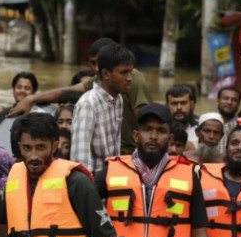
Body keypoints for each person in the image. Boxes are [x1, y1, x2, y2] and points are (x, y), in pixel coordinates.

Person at [96, 103, 223, 237]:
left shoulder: (189, 174)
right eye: (147, 130)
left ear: (170, 138)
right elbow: (85, 215)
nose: (153, 136)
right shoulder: (110, 171)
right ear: (136, 135)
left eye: (161, 131)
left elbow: (199, 232)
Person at [9, 37, 150, 155]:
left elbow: (146, 123)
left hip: (129, 153)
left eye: (99, 63)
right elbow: (67, 91)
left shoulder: (132, 81)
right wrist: (30, 98)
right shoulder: (94, 92)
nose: (96, 69)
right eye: (93, 63)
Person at [71, 44, 132, 173]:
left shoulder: (118, 99)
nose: (129, 78)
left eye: (130, 72)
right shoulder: (88, 104)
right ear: (105, 74)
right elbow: (80, 160)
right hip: (93, 178)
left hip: (112, 175)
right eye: (124, 73)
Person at [216, 86, 241, 154]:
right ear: (218, 100)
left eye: (234, 100)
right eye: (225, 98)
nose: (229, 102)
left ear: (239, 104)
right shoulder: (208, 123)